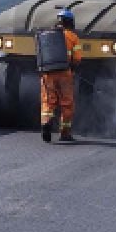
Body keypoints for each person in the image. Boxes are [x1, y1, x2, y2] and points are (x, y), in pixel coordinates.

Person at [40, 9, 82, 143]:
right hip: (65, 74)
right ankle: (65, 133)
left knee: (48, 101)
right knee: (67, 103)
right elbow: (77, 58)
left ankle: (46, 122)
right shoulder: (73, 37)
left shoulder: (47, 35)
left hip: (48, 73)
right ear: (70, 22)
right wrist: (73, 68)